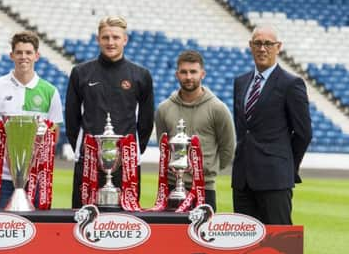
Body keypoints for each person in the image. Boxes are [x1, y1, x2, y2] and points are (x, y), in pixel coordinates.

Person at [65, 16, 154, 208]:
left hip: (125, 165)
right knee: (82, 219)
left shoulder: (141, 75)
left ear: (125, 39)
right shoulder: (81, 72)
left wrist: (130, 152)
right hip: (88, 162)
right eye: (105, 37)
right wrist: (86, 150)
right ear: (98, 39)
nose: (110, 42)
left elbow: (146, 122)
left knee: (124, 223)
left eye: (115, 37)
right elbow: (71, 119)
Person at [232, 25, 312, 225]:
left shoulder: (291, 84)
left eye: (268, 43)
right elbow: (244, 130)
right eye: (258, 43)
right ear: (250, 46)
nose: (262, 48)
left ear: (279, 47)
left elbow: (304, 134)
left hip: (275, 179)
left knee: (279, 245)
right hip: (242, 180)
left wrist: (285, 166)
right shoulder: (241, 82)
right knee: (243, 247)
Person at [0, 31, 63, 207]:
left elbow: (54, 134)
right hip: (1, 177)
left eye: (28, 52)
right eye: (19, 52)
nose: (23, 57)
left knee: (37, 230)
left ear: (37, 56)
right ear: (11, 55)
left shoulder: (50, 91)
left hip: (36, 178)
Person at [155, 50, 235, 211]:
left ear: (202, 74)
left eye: (193, 72)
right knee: (171, 236)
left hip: (205, 188)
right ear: (177, 74)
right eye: (184, 72)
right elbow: (162, 146)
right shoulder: (164, 109)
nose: (189, 77)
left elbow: (228, 148)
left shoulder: (218, 108)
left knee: (201, 235)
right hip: (171, 187)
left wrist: (207, 171)